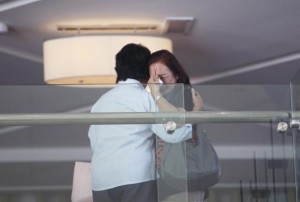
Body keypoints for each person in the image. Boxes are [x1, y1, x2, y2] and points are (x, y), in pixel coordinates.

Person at [88, 43, 193, 202]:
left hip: (101, 178)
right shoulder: (145, 98)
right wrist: (189, 122)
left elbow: (94, 140)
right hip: (136, 175)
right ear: (146, 71)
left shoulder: (100, 102)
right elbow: (172, 134)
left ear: (118, 69)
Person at [148, 49, 205, 202]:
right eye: (153, 78)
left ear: (177, 75)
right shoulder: (150, 100)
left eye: (162, 77)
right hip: (164, 176)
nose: (158, 83)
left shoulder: (186, 94)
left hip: (184, 174)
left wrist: (156, 94)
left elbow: (178, 121)